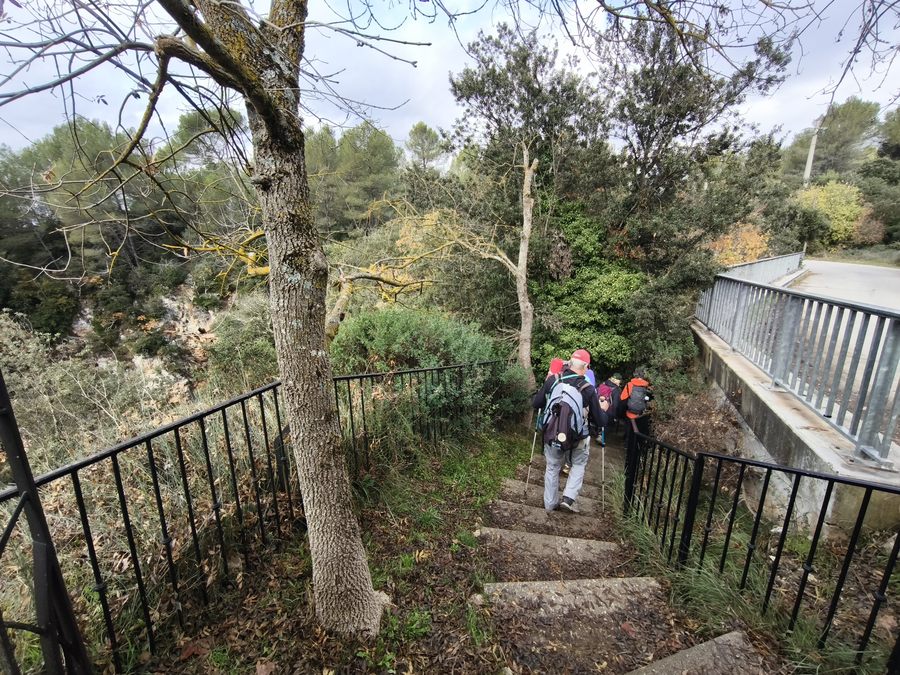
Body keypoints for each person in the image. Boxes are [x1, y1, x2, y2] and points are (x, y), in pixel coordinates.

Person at [532, 349, 608, 513]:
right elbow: (600, 421)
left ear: (570, 363)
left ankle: (550, 505)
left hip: (552, 433)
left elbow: (536, 403)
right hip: (577, 437)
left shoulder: (553, 380)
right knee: (578, 464)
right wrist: (604, 409)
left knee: (552, 467)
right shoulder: (588, 388)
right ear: (586, 367)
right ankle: (568, 498)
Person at [621, 366, 653, 445]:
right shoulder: (647, 387)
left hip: (629, 412)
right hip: (641, 414)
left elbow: (622, 397)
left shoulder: (629, 384)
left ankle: (626, 444)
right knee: (637, 432)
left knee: (628, 430)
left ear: (635, 374)